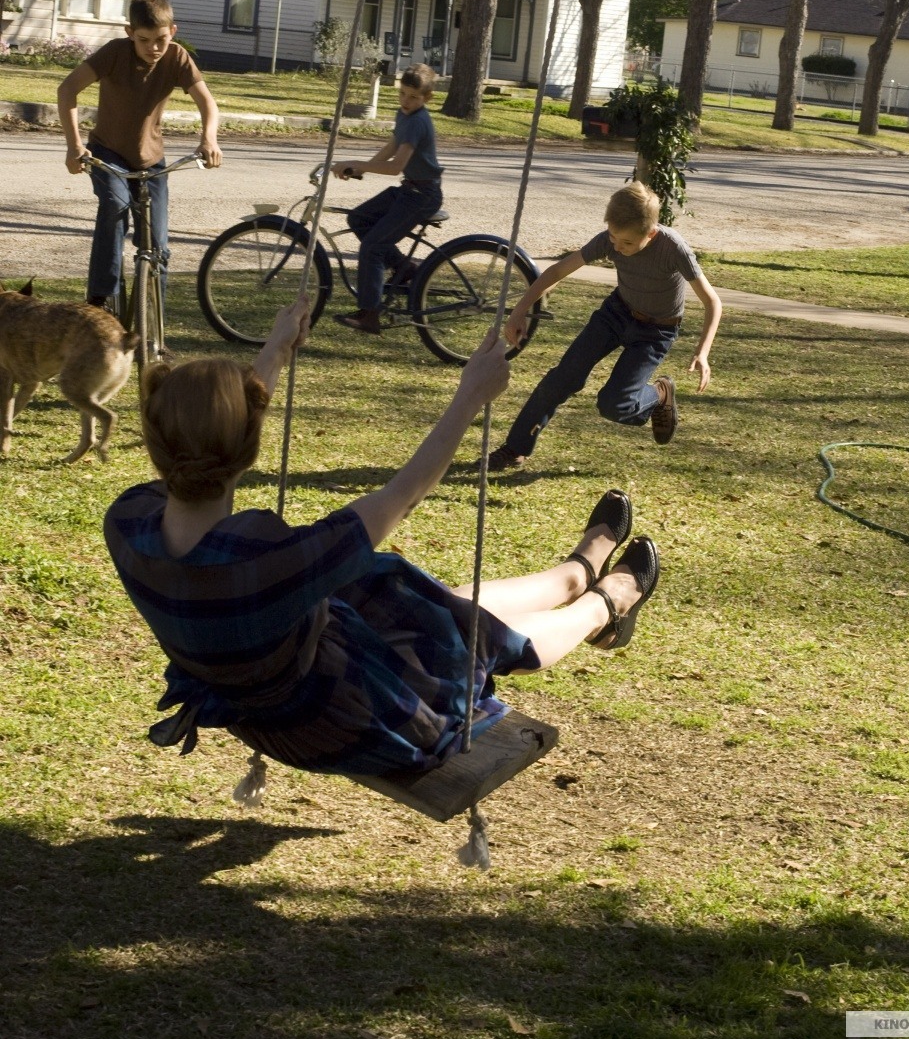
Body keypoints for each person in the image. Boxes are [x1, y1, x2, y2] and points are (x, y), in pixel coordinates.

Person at [102, 299, 660, 778]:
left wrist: (274, 353)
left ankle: (573, 574)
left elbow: (212, 443)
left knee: (431, 605)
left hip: (268, 687)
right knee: (466, 642)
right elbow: (404, 494)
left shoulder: (128, 520)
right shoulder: (269, 563)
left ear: (157, 444)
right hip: (337, 717)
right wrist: (470, 396)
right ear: (249, 447)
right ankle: (602, 606)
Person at [488, 181, 723, 471]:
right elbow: (558, 270)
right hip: (616, 314)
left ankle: (661, 393)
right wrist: (520, 310)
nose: (617, 248)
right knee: (562, 378)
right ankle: (515, 448)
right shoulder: (610, 240)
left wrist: (702, 352)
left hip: (655, 332)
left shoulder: (674, 248)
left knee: (614, 405)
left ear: (650, 233)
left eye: (627, 243)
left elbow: (712, 302)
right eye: (613, 237)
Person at [57, 0, 222, 309]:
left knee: (157, 245)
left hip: (151, 161)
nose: (154, 48)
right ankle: (100, 299)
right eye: (144, 40)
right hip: (107, 153)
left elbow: (207, 103)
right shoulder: (114, 53)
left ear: (173, 31)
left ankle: (152, 323)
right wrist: (74, 146)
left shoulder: (177, 57)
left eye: (161, 39)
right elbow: (67, 90)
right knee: (115, 205)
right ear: (130, 32)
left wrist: (209, 140)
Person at [329, 63, 442, 335]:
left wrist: (358, 163)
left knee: (373, 246)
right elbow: (392, 146)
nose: (406, 101)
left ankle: (370, 314)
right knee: (359, 219)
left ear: (427, 98)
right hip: (409, 190)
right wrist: (361, 168)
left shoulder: (418, 121)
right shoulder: (404, 115)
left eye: (413, 97)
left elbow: (395, 166)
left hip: (422, 195)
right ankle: (404, 268)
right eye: (402, 93)